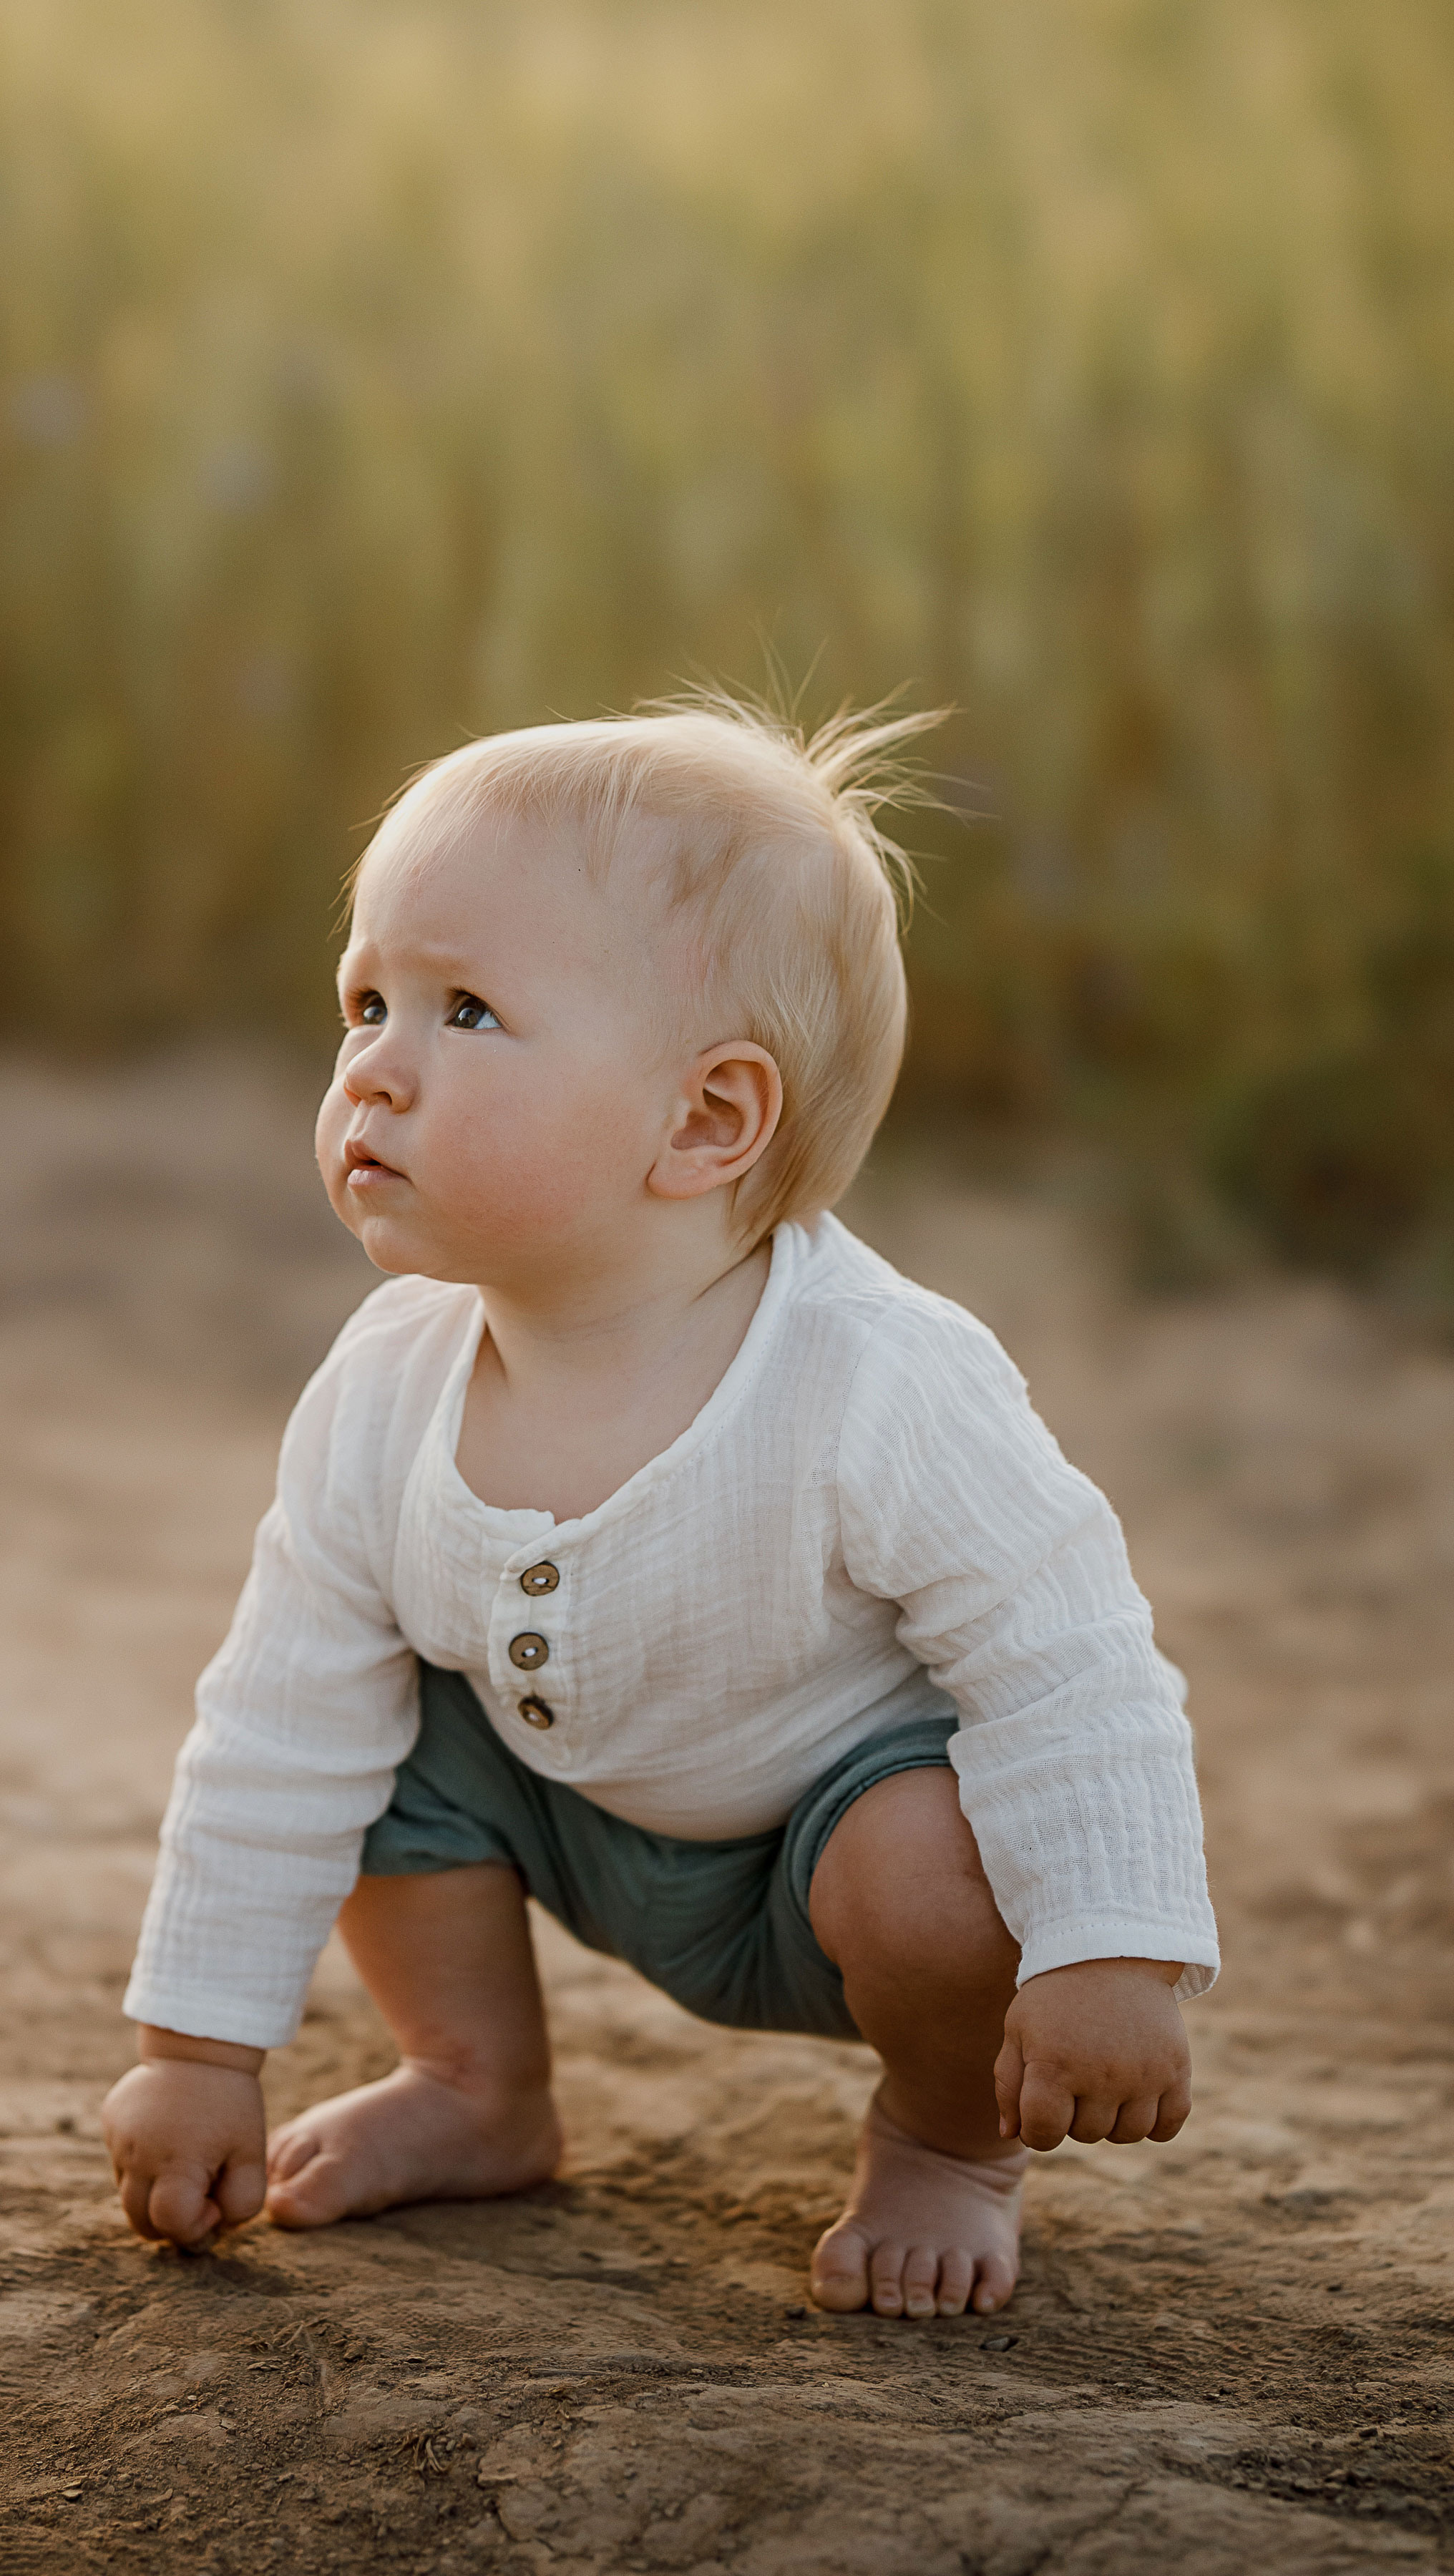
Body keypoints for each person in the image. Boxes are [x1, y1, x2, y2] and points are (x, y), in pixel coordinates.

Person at [102, 696, 1219, 2322]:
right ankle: (480, 2085)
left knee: (935, 1863)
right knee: (365, 1719)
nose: (376, 1073)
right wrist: (194, 2049)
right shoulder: (384, 1383)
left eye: (467, 1010)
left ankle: (942, 2142)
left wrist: (1112, 1945)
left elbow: (1070, 1657)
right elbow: (275, 1723)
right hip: (570, 1816)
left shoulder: (876, 1380)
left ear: (705, 1121)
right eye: (366, 1002)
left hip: (833, 1863)